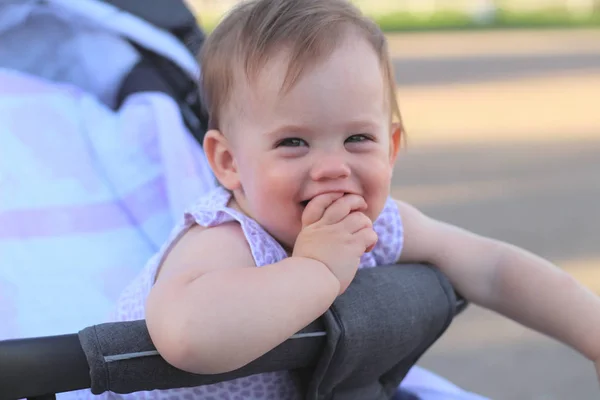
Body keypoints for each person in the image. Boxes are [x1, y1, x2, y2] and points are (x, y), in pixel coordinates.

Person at [76, 0, 600, 398]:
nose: (332, 166)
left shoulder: (381, 222)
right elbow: (186, 338)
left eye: (357, 139)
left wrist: (591, 333)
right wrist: (316, 270)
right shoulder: (226, 238)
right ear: (229, 163)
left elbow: (493, 268)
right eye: (293, 143)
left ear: (391, 147)